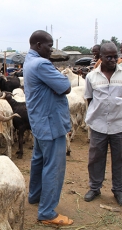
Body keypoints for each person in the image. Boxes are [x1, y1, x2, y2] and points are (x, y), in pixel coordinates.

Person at [23, 30, 73, 226]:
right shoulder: (41, 64)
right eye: (49, 46)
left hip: (39, 122)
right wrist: (58, 82)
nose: (51, 49)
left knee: (38, 160)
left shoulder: (28, 62)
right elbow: (66, 87)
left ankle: (34, 196)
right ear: (38, 45)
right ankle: (47, 213)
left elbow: (59, 86)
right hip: (51, 124)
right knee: (54, 167)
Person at [84, 42, 122, 206]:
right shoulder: (91, 77)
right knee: (95, 158)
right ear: (100, 57)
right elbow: (90, 99)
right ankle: (95, 187)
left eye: (115, 56)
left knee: (120, 159)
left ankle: (118, 190)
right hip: (98, 125)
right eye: (109, 57)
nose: (113, 59)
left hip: (119, 125)